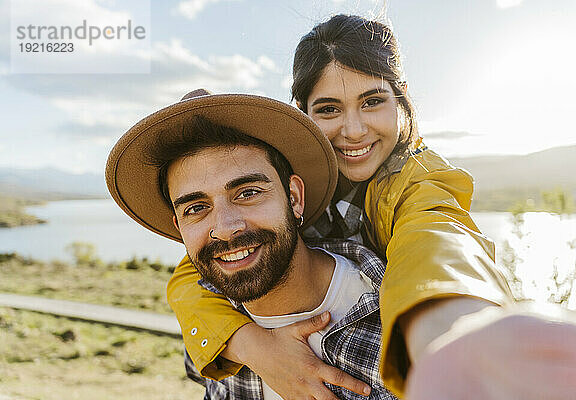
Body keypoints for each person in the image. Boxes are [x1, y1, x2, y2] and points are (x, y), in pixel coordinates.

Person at [166, 14, 512, 398]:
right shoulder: (280, 181)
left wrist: (460, 334)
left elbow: (437, 245)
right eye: (329, 109)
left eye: (373, 102)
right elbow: (191, 279)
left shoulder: (420, 182)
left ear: (402, 98)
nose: (354, 130)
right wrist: (252, 346)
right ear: (302, 111)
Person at [106, 92, 402, 399]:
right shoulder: (210, 310)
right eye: (195, 208)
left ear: (294, 198)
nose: (224, 228)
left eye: (247, 193)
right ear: (179, 227)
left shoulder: (397, 332)